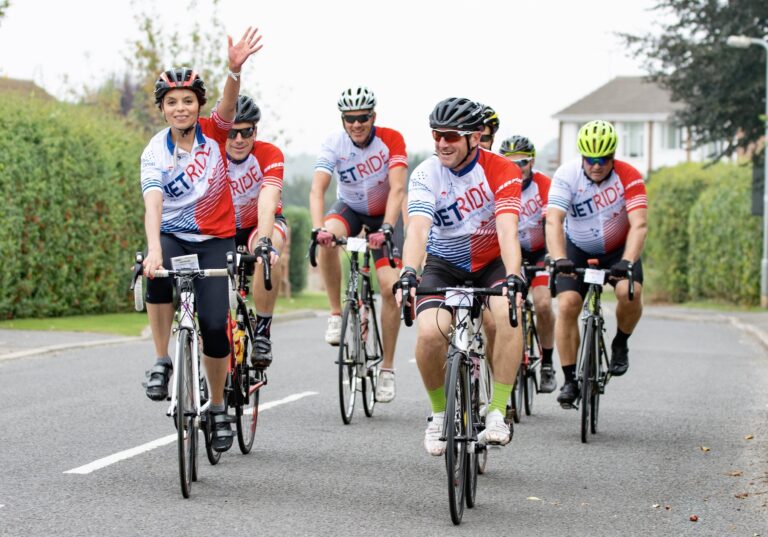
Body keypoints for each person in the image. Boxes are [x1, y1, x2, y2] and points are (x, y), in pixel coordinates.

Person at [141, 27, 263, 452]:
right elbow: (153, 202)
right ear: (162, 109)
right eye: (171, 102)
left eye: (187, 101)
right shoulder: (154, 151)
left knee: (215, 327)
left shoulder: (214, 132)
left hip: (215, 240)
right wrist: (154, 248)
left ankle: (214, 405)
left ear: (197, 106)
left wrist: (234, 69)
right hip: (173, 236)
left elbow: (230, 105)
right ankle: (162, 359)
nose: (180, 108)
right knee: (154, 276)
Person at [395, 97, 525, 455]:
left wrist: (513, 276)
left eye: (451, 136)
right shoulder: (425, 173)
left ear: (475, 136)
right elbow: (418, 230)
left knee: (506, 318)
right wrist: (409, 271)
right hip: (444, 262)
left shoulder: (502, 170)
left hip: (491, 261)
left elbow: (507, 229)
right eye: (436, 135)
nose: (441, 144)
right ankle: (438, 414)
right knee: (429, 334)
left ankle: (497, 409)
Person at [309, 86, 407, 403]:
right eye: (350, 119)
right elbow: (317, 189)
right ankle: (337, 314)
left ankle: (388, 370)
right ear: (343, 120)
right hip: (350, 209)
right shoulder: (333, 144)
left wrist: (389, 227)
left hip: (384, 216)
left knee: (391, 289)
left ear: (373, 117)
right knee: (327, 238)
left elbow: (397, 189)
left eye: (362, 118)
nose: (356, 124)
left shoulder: (391, 139)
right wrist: (316, 228)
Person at [545, 120, 647, 408]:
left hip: (618, 250)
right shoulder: (566, 175)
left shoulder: (629, 176)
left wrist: (627, 260)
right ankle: (569, 380)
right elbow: (554, 219)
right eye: (591, 160)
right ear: (582, 157)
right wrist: (558, 257)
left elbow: (639, 224)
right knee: (567, 305)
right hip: (576, 248)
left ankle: (620, 343)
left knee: (631, 292)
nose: (597, 165)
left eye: (604, 160)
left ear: (613, 157)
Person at [224, 94, 286, 369]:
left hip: (258, 224)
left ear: (255, 131)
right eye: (232, 132)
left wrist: (263, 241)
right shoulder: (210, 153)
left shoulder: (269, 154)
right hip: (223, 228)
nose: (238, 139)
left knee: (268, 253)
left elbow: (267, 201)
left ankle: (262, 331)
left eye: (246, 132)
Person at [498, 135, 557, 393]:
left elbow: (550, 221)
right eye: (510, 163)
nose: (516, 169)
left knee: (543, 303)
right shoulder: (497, 182)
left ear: (531, 162)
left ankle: (547, 362)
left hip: (539, 251)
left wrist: (551, 256)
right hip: (512, 253)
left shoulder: (544, 183)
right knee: (510, 304)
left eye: (521, 163)